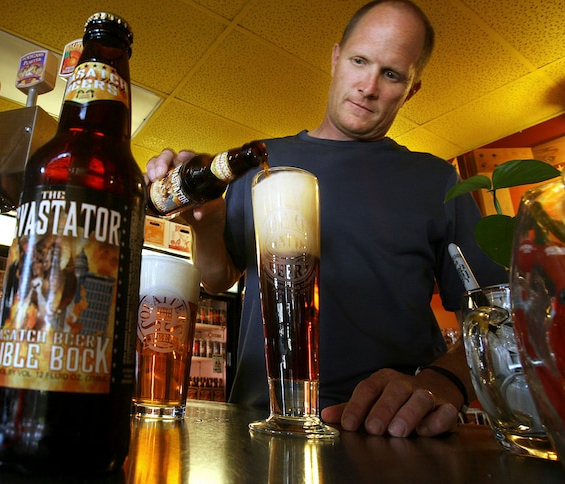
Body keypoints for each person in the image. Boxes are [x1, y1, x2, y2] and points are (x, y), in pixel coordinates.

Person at [146, 0, 506, 437]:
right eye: (359, 61)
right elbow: (219, 278)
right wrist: (206, 222)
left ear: (411, 90)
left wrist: (441, 382)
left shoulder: (438, 180)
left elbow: (497, 317)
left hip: (391, 430)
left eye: (391, 74)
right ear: (336, 58)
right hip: (264, 419)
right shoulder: (260, 163)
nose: (368, 86)